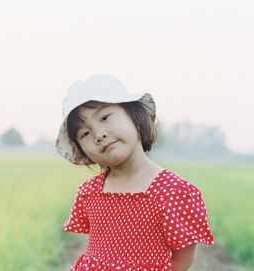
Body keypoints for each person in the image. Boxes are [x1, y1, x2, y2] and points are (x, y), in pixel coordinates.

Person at [55, 75, 215, 271]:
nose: (98, 135)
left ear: (135, 116)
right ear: (81, 149)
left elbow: (182, 260)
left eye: (105, 117)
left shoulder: (175, 191)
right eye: (85, 133)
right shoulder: (89, 192)